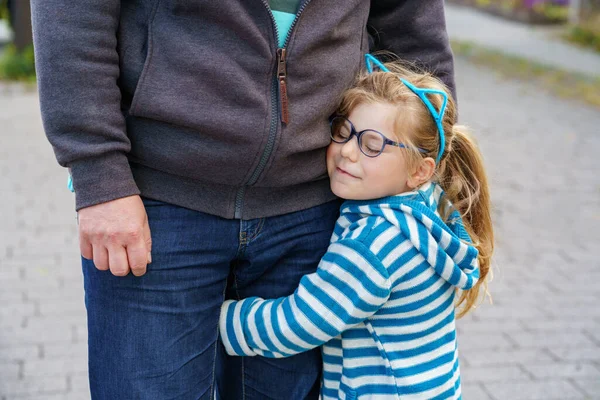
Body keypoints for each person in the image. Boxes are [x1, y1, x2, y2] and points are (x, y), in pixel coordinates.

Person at [30, 1, 457, 398]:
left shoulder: (377, 241)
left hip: (315, 205)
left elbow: (412, 24)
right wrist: (98, 172)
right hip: (156, 200)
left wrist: (442, 168)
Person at [220, 56, 494, 400]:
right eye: (343, 132)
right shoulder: (430, 207)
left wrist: (221, 318)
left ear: (420, 170)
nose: (348, 151)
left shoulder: (374, 245)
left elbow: (304, 321)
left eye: (372, 145)